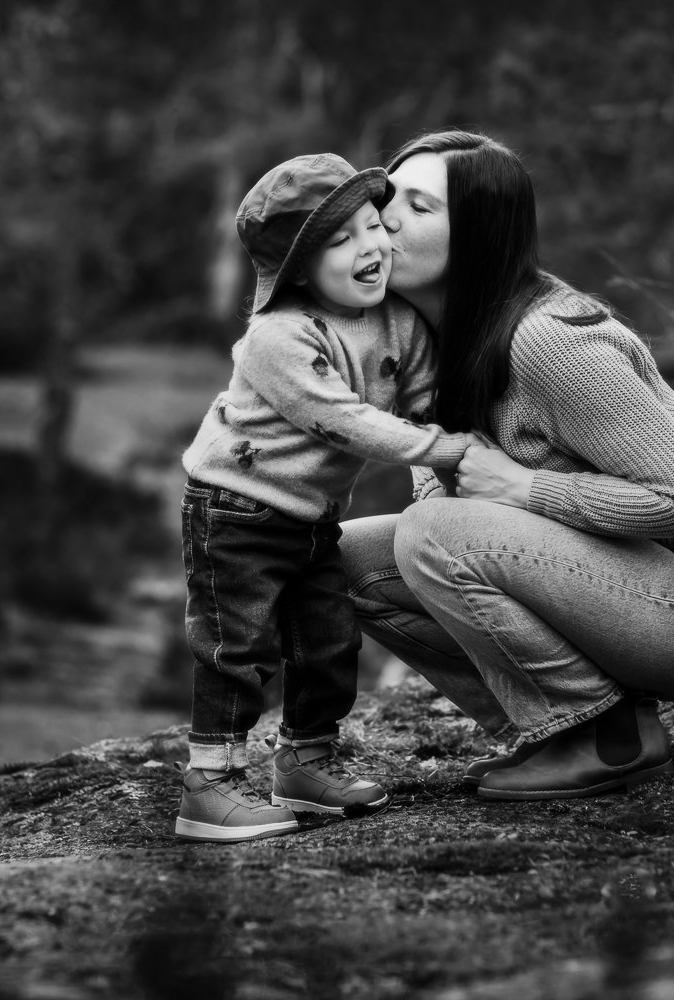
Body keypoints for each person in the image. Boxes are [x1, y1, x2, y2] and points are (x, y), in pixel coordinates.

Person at [340, 130, 674, 800]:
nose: (387, 218)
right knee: (349, 562)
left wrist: (522, 488)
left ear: (480, 237)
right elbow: (440, 490)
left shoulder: (547, 343)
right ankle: (557, 727)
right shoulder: (424, 342)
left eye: (421, 208)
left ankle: (608, 737)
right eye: (387, 198)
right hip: (604, 586)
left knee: (433, 536)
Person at [175, 153, 474, 841]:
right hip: (235, 509)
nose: (370, 246)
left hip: (310, 515)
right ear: (301, 270)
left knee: (329, 641)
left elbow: (429, 400)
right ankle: (208, 788)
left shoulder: (397, 321)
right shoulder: (276, 338)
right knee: (237, 646)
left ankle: (305, 766)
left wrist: (461, 460)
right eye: (340, 241)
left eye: (373, 226)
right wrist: (436, 450)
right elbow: (339, 418)